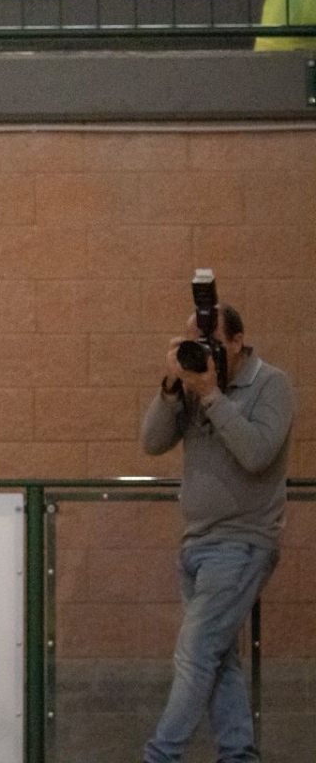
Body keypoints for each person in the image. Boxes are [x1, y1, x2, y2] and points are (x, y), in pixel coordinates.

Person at [138, 296, 294, 763]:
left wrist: (212, 396)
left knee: (195, 651)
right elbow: (151, 442)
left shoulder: (271, 384)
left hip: (242, 541)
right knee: (219, 657)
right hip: (196, 543)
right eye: (193, 343)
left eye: (212, 343)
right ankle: (238, 755)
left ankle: (161, 755)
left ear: (239, 341)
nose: (203, 353)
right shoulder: (190, 387)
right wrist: (172, 387)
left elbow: (257, 453)